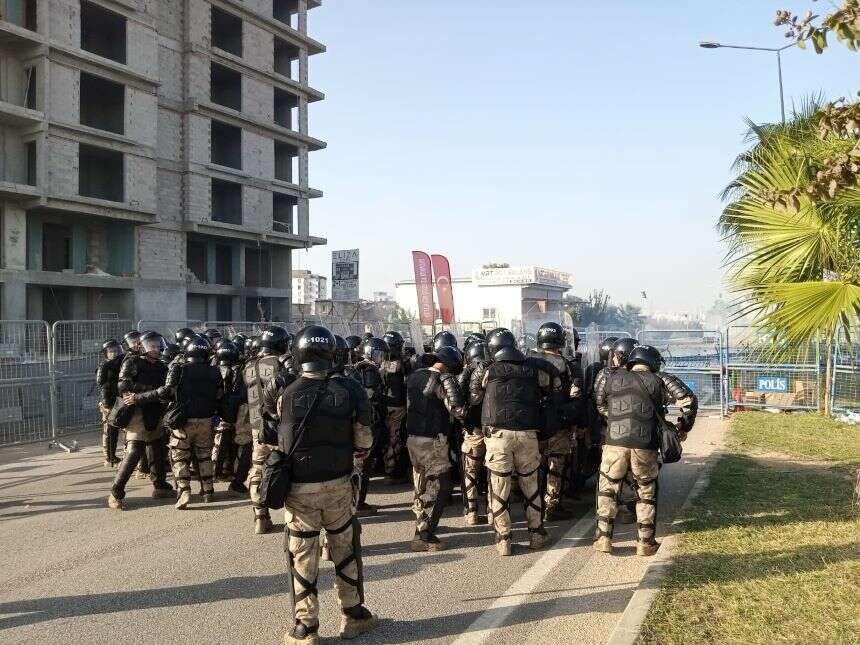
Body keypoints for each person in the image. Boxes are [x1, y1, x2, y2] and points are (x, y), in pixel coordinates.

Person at [279, 326, 377, 644]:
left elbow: (274, 441)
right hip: (338, 482)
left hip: (300, 489)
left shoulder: (288, 392)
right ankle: (353, 615)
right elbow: (364, 439)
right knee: (344, 549)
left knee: (302, 556)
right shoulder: (347, 389)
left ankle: (306, 628)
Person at [593, 344, 698, 556]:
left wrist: (615, 420)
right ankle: (645, 543)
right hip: (645, 444)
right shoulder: (660, 379)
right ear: (653, 362)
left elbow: (600, 404)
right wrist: (683, 427)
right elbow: (688, 401)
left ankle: (604, 539)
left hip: (614, 443)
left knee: (608, 491)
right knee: (646, 493)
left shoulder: (612, 377)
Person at [472, 328, 561, 556]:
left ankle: (504, 540)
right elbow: (552, 385)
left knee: (500, 488)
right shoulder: (533, 370)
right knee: (530, 485)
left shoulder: (489, 371)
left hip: (497, 435)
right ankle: (535, 533)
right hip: (527, 434)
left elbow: (474, 396)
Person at [405, 346, 466, 551]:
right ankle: (423, 536)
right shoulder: (442, 380)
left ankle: (422, 526)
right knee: (440, 487)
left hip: (413, 439)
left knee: (421, 486)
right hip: (432, 441)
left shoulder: (414, 376)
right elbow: (458, 410)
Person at [153, 335, 225, 509]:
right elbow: (219, 395)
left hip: (183, 421)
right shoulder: (215, 371)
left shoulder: (180, 368)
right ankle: (208, 490)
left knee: (180, 457)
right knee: (204, 456)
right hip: (206, 420)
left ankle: (184, 490)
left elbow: (168, 392)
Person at [108, 332, 173, 509]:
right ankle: (116, 492)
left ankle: (160, 485)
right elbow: (124, 385)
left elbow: (166, 390)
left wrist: (146, 395)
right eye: (151, 345)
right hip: (136, 411)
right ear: (142, 347)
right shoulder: (132, 361)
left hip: (154, 410)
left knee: (157, 446)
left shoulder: (162, 366)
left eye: (157, 344)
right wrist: (151, 391)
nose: (156, 348)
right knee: (135, 450)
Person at [528, 322, 582, 520]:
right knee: (556, 466)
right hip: (559, 423)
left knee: (533, 468)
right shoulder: (567, 365)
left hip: (533, 424)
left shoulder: (527, 361)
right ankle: (552, 505)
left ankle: (533, 506)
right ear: (560, 341)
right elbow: (576, 396)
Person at [243, 326, 290, 533]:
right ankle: (295, 517)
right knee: (289, 468)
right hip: (281, 426)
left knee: (258, 469)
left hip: (258, 427)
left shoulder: (248, 367)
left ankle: (260, 517)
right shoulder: (281, 365)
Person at [349, 337, 388, 516]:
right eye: (378, 354)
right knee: (363, 466)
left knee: (361, 465)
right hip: (368, 424)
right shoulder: (369, 370)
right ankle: (358, 504)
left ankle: (357, 502)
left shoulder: (358, 368)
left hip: (362, 422)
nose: (381, 358)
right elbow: (370, 399)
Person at [459, 340, 489, 525]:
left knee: (470, 473)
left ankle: (472, 511)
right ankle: (493, 511)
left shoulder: (466, 373)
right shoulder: (494, 370)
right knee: (494, 473)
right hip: (494, 430)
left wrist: (464, 424)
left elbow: (459, 404)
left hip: (473, 431)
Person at [381, 330, 408, 484]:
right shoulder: (396, 364)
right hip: (396, 406)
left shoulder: (381, 363)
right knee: (395, 438)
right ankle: (393, 473)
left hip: (387, 404)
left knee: (390, 437)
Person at [97, 340, 124, 468]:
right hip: (110, 402)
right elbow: (101, 383)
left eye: (117, 350)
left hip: (120, 399)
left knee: (122, 427)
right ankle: (110, 457)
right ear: (106, 353)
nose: (115, 353)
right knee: (111, 429)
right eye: (112, 351)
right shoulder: (105, 366)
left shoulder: (122, 363)